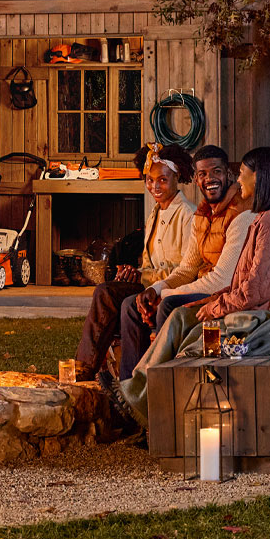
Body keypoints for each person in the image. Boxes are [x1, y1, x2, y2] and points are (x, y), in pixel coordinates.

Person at [114, 146, 270, 422]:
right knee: (178, 318)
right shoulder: (264, 220)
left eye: (242, 174)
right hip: (262, 306)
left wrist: (214, 306)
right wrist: (210, 302)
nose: (239, 181)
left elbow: (253, 290)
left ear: (258, 178)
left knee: (191, 332)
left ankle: (157, 404)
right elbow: (243, 283)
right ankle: (137, 393)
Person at [114, 144, 252, 379]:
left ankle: (162, 383)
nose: (209, 179)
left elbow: (222, 279)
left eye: (216, 171)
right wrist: (154, 290)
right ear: (196, 179)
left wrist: (167, 296)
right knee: (132, 305)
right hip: (202, 288)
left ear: (228, 174)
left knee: (168, 306)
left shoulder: (240, 213)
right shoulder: (202, 214)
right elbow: (187, 269)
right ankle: (130, 386)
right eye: (202, 174)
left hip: (227, 294)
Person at [70, 143, 195, 380]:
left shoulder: (187, 215)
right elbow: (149, 262)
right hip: (149, 283)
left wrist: (143, 277)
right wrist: (134, 271)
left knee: (120, 299)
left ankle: (106, 375)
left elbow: (185, 270)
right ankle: (85, 369)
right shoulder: (156, 212)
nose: (154, 186)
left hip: (170, 288)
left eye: (162, 180)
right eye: (149, 180)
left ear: (176, 177)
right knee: (106, 292)